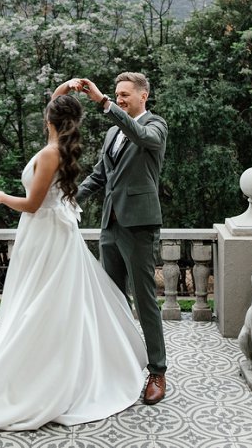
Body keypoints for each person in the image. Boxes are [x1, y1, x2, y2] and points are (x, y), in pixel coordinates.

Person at [0, 93, 147, 435]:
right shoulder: (58, 148)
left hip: (45, 235)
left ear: (49, 120)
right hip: (48, 233)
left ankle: (39, 375)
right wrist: (67, 88)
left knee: (41, 303)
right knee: (49, 301)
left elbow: (33, 204)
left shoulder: (50, 153)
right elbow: (56, 106)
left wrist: (3, 197)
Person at [59, 71, 168, 405]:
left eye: (125, 95)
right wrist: (68, 199)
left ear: (143, 96)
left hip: (139, 226)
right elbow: (99, 176)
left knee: (144, 301)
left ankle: (157, 371)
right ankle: (119, 366)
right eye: (117, 95)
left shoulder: (156, 126)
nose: (120, 99)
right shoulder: (111, 134)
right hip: (110, 226)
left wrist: (105, 103)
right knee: (112, 300)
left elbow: (140, 135)